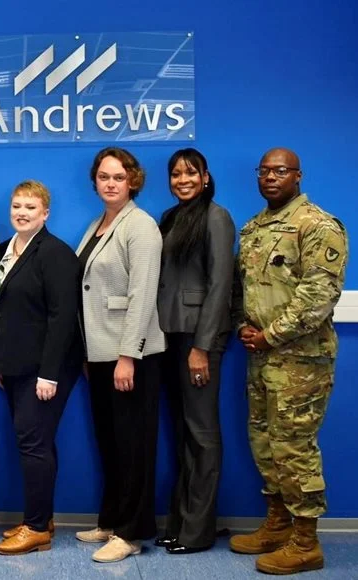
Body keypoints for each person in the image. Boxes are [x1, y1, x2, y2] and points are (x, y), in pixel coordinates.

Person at [229, 148, 347, 575]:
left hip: (300, 361)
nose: (270, 177)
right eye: (264, 171)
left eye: (280, 171)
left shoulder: (317, 225)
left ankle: (305, 541)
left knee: (295, 447)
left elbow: (318, 296)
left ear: (297, 175)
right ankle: (277, 523)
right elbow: (246, 288)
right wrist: (245, 325)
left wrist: (270, 335)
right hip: (260, 358)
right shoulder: (254, 228)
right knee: (264, 442)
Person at [75, 147, 165, 563]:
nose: (110, 183)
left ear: (133, 181)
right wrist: (92, 355)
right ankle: (111, 520)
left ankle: (131, 533)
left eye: (118, 177)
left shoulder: (141, 226)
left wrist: (128, 355)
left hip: (130, 356)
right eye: (104, 176)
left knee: (133, 446)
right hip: (100, 352)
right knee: (110, 443)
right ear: (95, 180)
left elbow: (142, 295)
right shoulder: (100, 223)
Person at [0, 180, 82, 555]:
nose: (22, 213)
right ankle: (41, 518)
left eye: (31, 207)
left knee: (33, 442)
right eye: (17, 206)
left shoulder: (56, 254)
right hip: (13, 365)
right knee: (36, 442)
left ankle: (37, 527)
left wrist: (49, 373)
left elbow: (62, 318)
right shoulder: (3, 251)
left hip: (45, 368)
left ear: (45, 214)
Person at [154, 148, 235, 554]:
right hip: (169, 337)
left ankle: (198, 532)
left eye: (190, 173)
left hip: (198, 340)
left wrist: (201, 347)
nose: (182, 180)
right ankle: (180, 523)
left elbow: (220, 285)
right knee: (183, 434)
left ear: (205, 176)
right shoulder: (170, 218)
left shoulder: (216, 216)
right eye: (175, 174)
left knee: (202, 434)